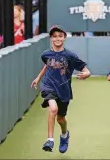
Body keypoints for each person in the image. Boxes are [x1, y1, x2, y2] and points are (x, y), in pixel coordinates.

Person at [31, 25, 91, 153]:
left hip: (64, 90)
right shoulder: (45, 54)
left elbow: (85, 69)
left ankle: (64, 135)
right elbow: (47, 65)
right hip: (48, 86)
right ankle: (50, 140)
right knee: (53, 108)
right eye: (54, 36)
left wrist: (87, 74)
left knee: (61, 119)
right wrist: (38, 78)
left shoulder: (70, 55)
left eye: (60, 36)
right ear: (51, 38)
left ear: (64, 37)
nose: (57, 38)